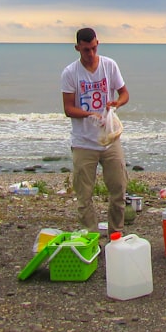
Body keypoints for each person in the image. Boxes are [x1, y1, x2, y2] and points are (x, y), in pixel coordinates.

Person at [60, 27, 129, 235]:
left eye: (93, 49)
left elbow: (125, 93)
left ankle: (116, 233)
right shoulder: (70, 73)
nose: (90, 54)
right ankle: (91, 236)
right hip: (83, 141)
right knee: (84, 195)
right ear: (77, 48)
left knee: (118, 188)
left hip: (109, 138)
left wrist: (116, 103)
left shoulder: (109, 65)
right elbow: (68, 108)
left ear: (97, 44)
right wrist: (89, 114)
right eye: (85, 50)